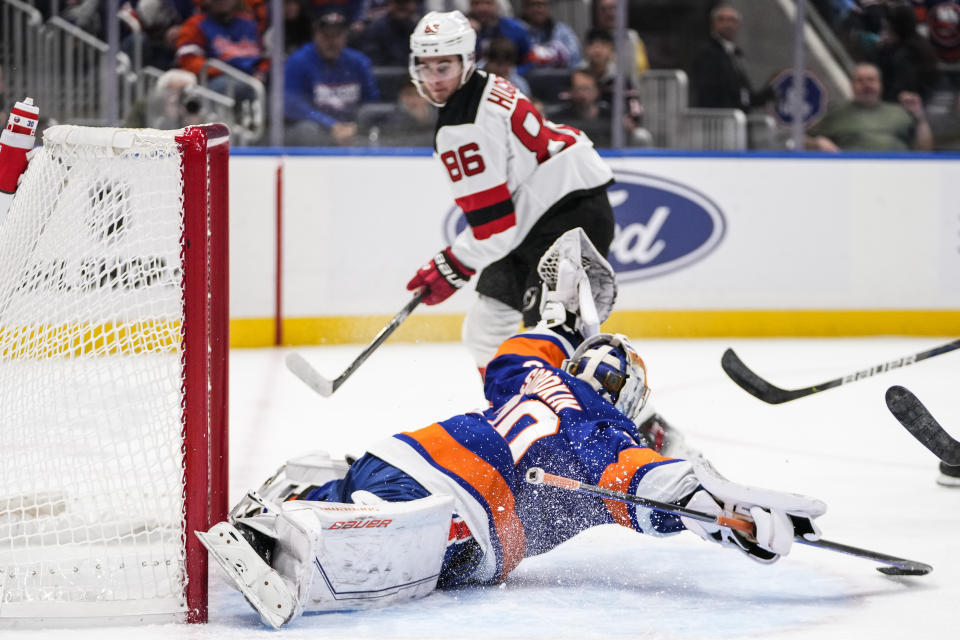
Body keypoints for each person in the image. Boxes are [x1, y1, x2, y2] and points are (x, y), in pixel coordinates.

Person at [196, 229, 827, 629]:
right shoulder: (609, 430)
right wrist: (718, 513)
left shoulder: (530, 374)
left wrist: (560, 322)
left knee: (363, 482)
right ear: (630, 402)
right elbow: (645, 484)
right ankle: (317, 532)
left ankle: (300, 502)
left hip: (402, 453)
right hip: (458, 520)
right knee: (402, 542)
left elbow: (514, 351)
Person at [402, 10, 616, 374]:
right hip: (538, 216)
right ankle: (512, 420)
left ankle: (634, 424)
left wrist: (454, 264)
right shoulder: (483, 84)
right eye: (426, 67)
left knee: (554, 346)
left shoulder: (462, 128)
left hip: (568, 218)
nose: (435, 79)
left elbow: (496, 229)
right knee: (485, 334)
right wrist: (456, 260)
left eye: (444, 67)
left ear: (466, 61)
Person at [283, 5, 380, 146]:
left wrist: (355, 126)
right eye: (326, 35)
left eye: (337, 35)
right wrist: (331, 125)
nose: (331, 41)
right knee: (306, 131)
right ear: (315, 34)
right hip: (317, 133)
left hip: (351, 132)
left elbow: (371, 102)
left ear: (346, 35)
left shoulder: (359, 63)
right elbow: (292, 105)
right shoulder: (298, 61)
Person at [805, 61, 934, 151]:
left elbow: (925, 151)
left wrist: (920, 118)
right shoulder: (836, 113)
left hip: (897, 176)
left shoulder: (900, 112)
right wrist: (817, 144)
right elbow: (799, 140)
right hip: (850, 178)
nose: (866, 85)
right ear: (852, 86)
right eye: (860, 80)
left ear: (880, 84)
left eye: (871, 80)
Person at [688, 3, 775, 112]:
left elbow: (743, 95)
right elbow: (709, 92)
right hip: (720, 120)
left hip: (736, 119)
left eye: (732, 20)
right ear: (713, 24)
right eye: (721, 20)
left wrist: (767, 93)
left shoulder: (734, 55)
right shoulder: (708, 53)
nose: (727, 24)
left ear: (738, 25)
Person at [175, 0, 269, 90]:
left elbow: (265, 57)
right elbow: (188, 61)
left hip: (255, 77)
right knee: (230, 86)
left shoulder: (249, 23)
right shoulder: (195, 24)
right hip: (221, 79)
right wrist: (222, 70)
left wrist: (261, 72)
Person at [468, 0, 532, 74]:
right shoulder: (461, 30)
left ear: (498, 5)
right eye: (476, 3)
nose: (483, 8)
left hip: (509, 78)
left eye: (488, 3)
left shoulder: (515, 28)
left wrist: (513, 71)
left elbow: (529, 60)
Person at [356, 0, 421, 66]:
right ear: (390, 4)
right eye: (398, 3)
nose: (402, 7)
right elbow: (372, 59)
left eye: (406, 3)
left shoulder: (419, 29)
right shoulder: (376, 28)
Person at [521, 0, 582, 70]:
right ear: (525, 8)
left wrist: (548, 56)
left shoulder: (562, 31)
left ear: (548, 8)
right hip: (525, 78)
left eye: (542, 4)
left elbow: (575, 59)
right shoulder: (517, 31)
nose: (538, 9)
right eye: (533, 4)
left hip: (560, 78)